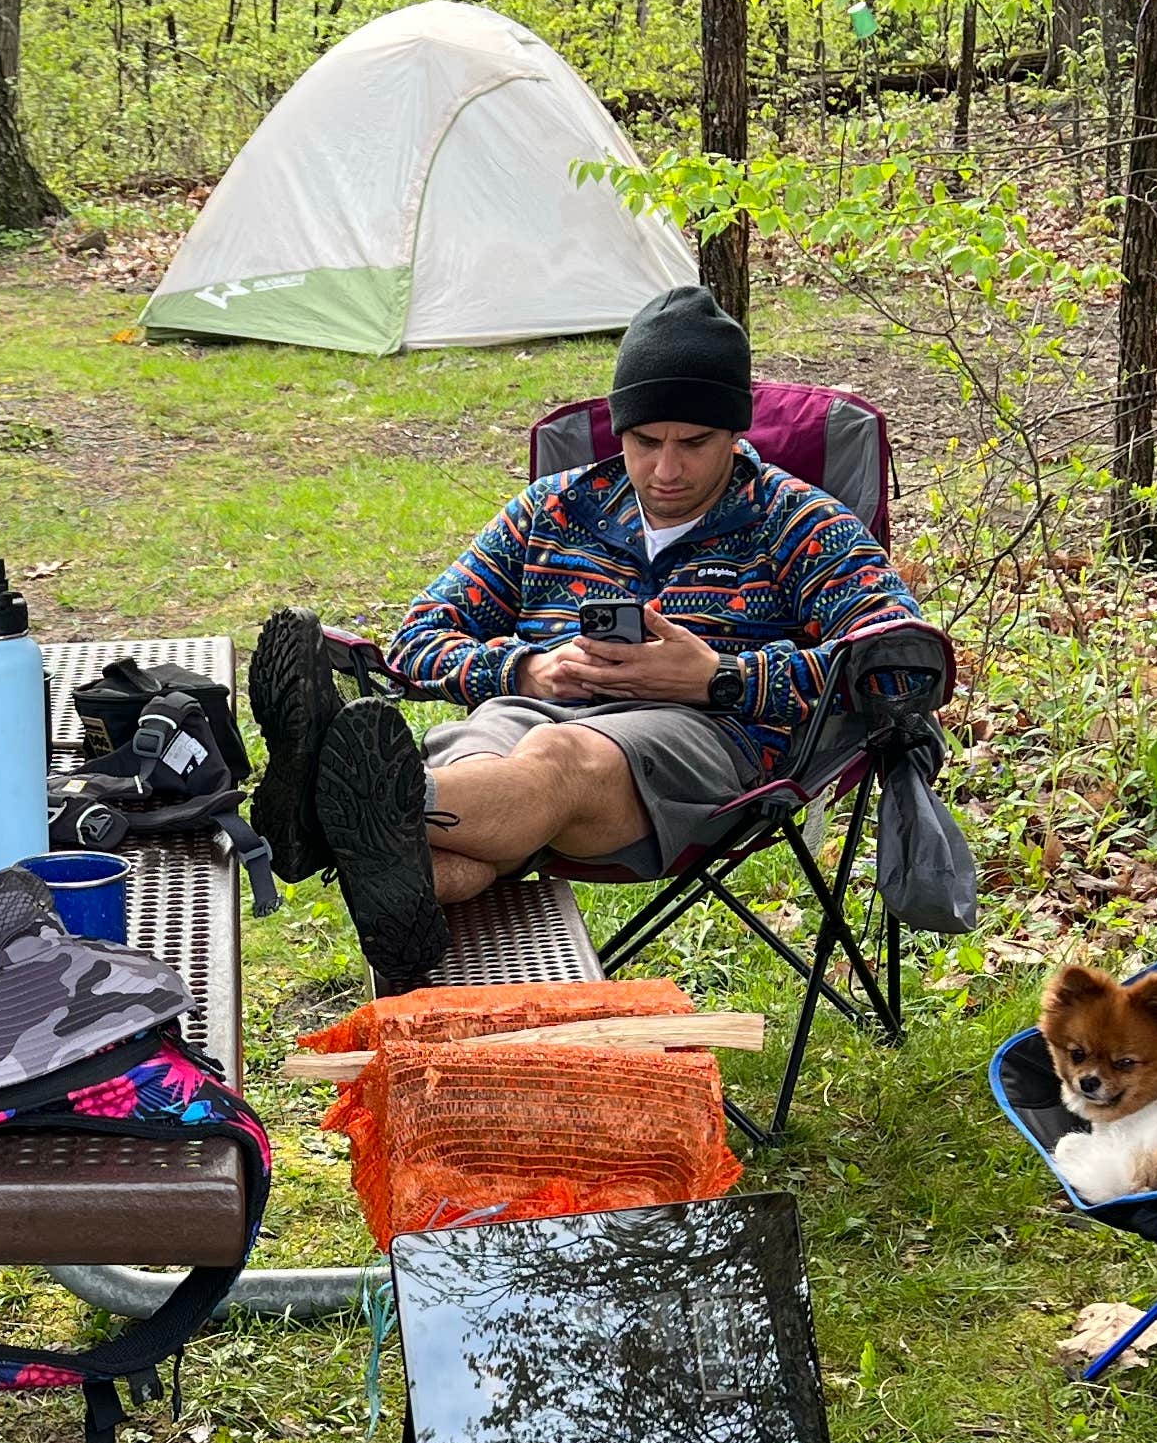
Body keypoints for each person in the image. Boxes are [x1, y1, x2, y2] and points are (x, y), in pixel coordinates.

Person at [252, 285, 915, 991]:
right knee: (465, 836)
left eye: (694, 443)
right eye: (644, 441)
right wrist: (527, 669)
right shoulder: (554, 510)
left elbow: (901, 666)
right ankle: (385, 820)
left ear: (736, 433)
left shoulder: (798, 522)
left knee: (557, 756)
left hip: (702, 743)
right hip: (523, 723)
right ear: (618, 430)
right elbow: (417, 638)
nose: (666, 469)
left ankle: (332, 807)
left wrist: (718, 677)